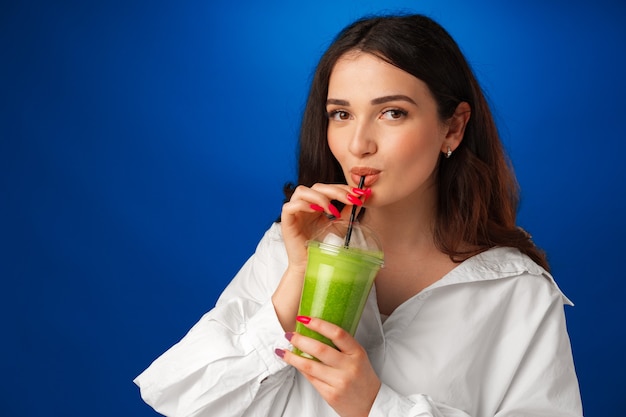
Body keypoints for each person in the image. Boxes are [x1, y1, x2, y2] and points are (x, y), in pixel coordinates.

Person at [134, 13, 582, 417]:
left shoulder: (515, 291)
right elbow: (183, 400)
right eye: (341, 114)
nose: (358, 144)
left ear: (454, 126)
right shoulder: (289, 251)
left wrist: (375, 405)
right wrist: (298, 278)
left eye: (392, 112)